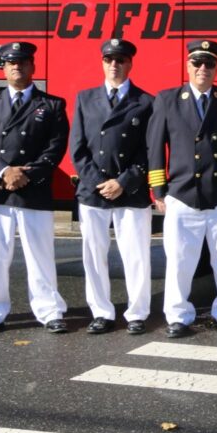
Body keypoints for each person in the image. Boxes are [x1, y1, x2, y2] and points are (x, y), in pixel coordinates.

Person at [0, 41, 70, 335]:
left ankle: (50, 311)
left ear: (33, 66)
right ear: (3, 69)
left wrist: (27, 173)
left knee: (40, 254)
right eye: (11, 62)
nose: (17, 66)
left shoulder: (52, 104)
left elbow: (55, 147)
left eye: (23, 62)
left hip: (32, 188)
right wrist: (3, 172)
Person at [146, 40, 217, 339]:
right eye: (197, 63)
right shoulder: (167, 99)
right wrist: (159, 189)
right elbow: (154, 146)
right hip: (183, 194)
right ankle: (177, 315)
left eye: (209, 64)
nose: (203, 68)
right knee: (179, 259)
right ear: (187, 65)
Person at [69, 38, 154, 335]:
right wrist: (98, 182)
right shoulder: (85, 98)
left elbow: (149, 150)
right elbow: (78, 149)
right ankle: (101, 311)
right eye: (109, 59)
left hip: (130, 190)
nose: (114, 65)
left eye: (120, 59)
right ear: (102, 62)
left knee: (136, 255)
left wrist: (123, 182)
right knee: (93, 255)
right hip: (94, 191)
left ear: (130, 63)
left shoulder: (146, 102)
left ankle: (137, 312)